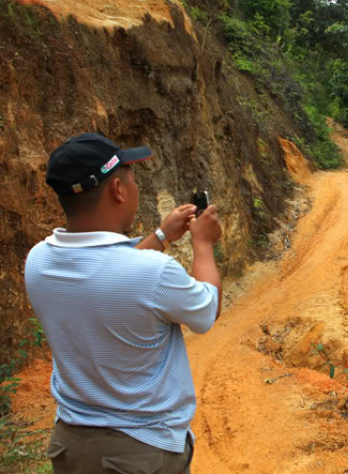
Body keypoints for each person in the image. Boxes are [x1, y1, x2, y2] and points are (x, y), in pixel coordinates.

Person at [24, 133, 223, 473]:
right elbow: (206, 310)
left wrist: (161, 237)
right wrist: (203, 244)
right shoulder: (153, 273)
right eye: (132, 178)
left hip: (71, 446)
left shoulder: (39, 262)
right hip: (143, 451)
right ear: (117, 189)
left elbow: (108, 274)